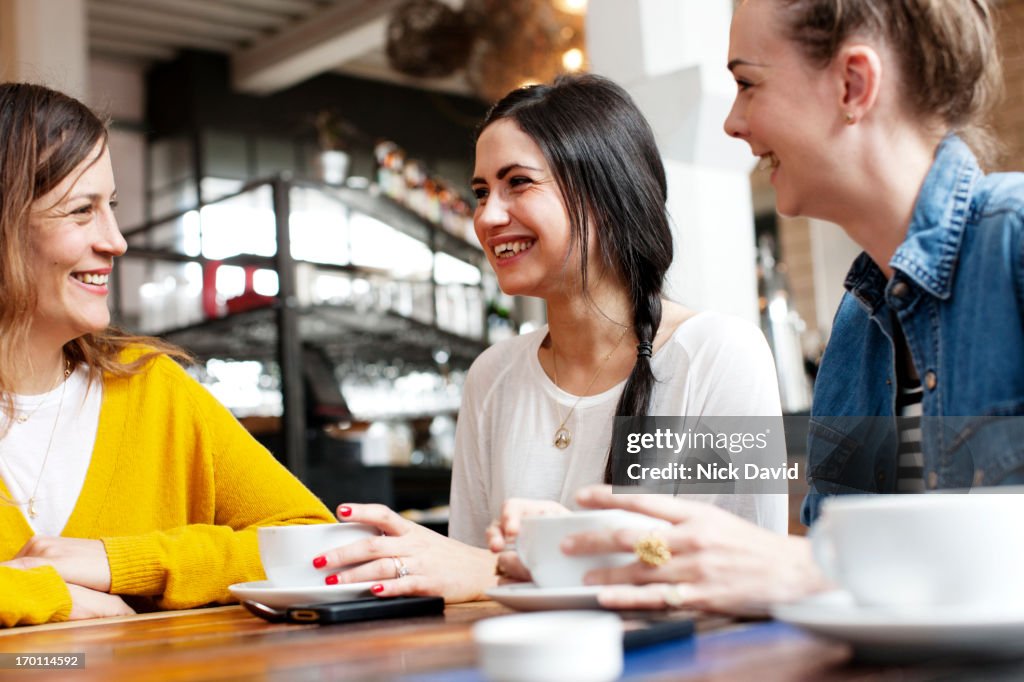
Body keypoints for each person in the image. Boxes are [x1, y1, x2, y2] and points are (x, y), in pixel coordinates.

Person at [556, 0, 1024, 614]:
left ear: (853, 84)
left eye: (747, 84)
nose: (731, 122)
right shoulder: (859, 326)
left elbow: (825, 575)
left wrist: (817, 571)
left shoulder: (1013, 242)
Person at [315, 74, 787, 601]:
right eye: (480, 192)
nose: (488, 217)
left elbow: (736, 577)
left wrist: (510, 569)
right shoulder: (492, 375)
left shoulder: (719, 354)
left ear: (606, 194)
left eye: (517, 182)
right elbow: (469, 582)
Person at [0, 83, 335, 627]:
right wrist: (41, 595)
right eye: (81, 211)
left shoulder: (152, 388)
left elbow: (316, 544)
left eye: (110, 206)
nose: (116, 241)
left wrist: (121, 561)